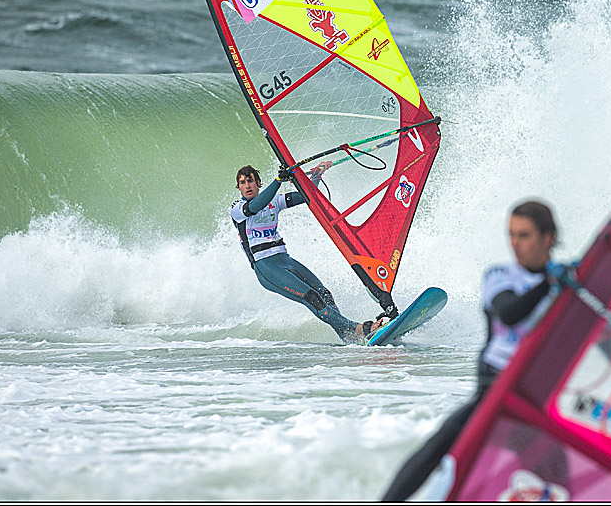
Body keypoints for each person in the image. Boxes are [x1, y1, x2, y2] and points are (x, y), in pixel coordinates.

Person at [380, 199, 563, 501]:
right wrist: (551, 284)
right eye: (511, 234)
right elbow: (509, 312)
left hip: (540, 391)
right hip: (497, 386)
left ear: (548, 238)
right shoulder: (500, 276)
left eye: (524, 235)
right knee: (441, 447)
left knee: (552, 471)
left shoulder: (566, 285)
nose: (515, 244)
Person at [230, 164, 388, 343]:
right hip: (266, 268)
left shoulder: (275, 201)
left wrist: (315, 177)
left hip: (284, 260)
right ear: (239, 188)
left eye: (250, 180)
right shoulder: (237, 208)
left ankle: (348, 336)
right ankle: (357, 329)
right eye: (242, 183)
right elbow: (255, 207)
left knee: (324, 294)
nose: (247, 186)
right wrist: (278, 181)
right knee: (312, 298)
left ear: (258, 183)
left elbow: (306, 196)